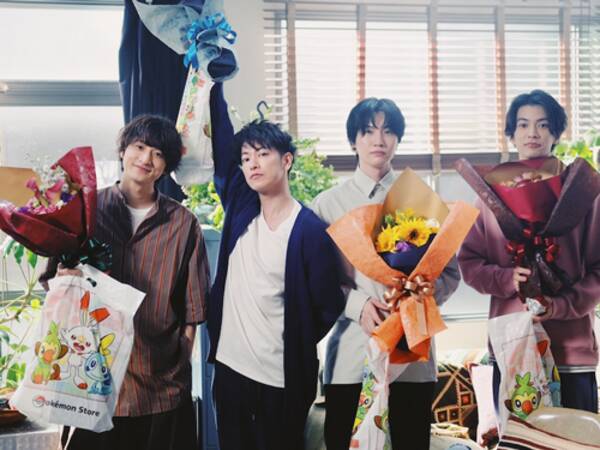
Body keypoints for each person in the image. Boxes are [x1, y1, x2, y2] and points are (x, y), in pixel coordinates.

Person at [44, 114, 210, 450]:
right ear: (123, 150)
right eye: (140, 147)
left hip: (160, 386)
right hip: (91, 381)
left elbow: (193, 308)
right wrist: (65, 279)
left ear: (165, 167)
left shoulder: (183, 224)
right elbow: (51, 281)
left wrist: (179, 358)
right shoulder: (84, 210)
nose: (147, 158)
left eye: (158, 154)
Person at [311, 97, 461, 450]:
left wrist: (421, 294)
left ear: (397, 139)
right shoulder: (327, 204)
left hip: (412, 358)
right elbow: (317, 281)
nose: (379, 140)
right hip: (352, 355)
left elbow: (450, 273)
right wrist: (358, 306)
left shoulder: (423, 200)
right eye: (368, 131)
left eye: (388, 131)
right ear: (353, 140)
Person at [206, 83, 346, 450]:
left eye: (262, 154)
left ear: (286, 161)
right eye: (246, 157)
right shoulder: (240, 207)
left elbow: (329, 304)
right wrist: (214, 84)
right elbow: (220, 143)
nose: (252, 164)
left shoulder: (310, 231)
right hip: (231, 370)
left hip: (282, 380)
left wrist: (294, 337)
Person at [458, 89, 600, 414]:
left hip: (571, 351)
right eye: (523, 124)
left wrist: (559, 305)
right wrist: (506, 278)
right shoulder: (490, 196)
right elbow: (469, 263)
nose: (532, 133)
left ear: (556, 133)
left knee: (575, 438)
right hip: (512, 346)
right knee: (515, 439)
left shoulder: (582, 192)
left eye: (542, 124)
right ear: (511, 133)